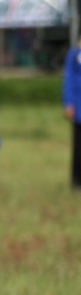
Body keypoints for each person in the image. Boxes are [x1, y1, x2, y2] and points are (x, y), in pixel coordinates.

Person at [65, 36, 81, 192]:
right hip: (79, 106)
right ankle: (76, 181)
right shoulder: (75, 53)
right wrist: (68, 102)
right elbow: (68, 78)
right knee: (78, 146)